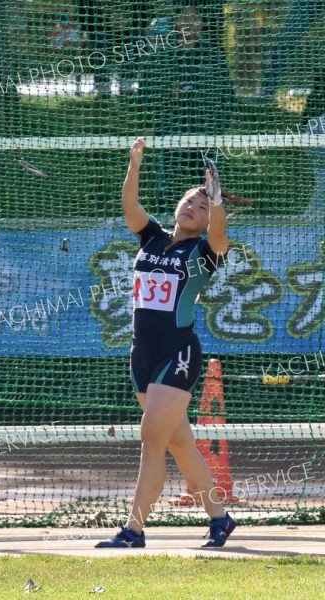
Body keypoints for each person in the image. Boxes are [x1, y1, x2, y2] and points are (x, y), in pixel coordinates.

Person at [95, 137, 237, 549]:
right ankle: (219, 519)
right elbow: (131, 209)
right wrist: (134, 164)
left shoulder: (205, 251)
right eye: (191, 201)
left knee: (151, 439)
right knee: (179, 442)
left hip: (178, 352)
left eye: (203, 205)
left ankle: (133, 530)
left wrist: (217, 201)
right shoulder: (153, 238)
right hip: (141, 352)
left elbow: (221, 233)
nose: (194, 207)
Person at [139, 6, 236, 203]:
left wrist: (218, 128)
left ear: (202, 23)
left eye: (194, 18)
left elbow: (228, 99)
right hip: (170, 139)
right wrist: (167, 94)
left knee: (209, 193)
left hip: (206, 138)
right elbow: (145, 95)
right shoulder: (161, 58)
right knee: (170, 194)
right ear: (176, 23)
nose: (189, 23)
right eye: (184, 18)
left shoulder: (214, 57)